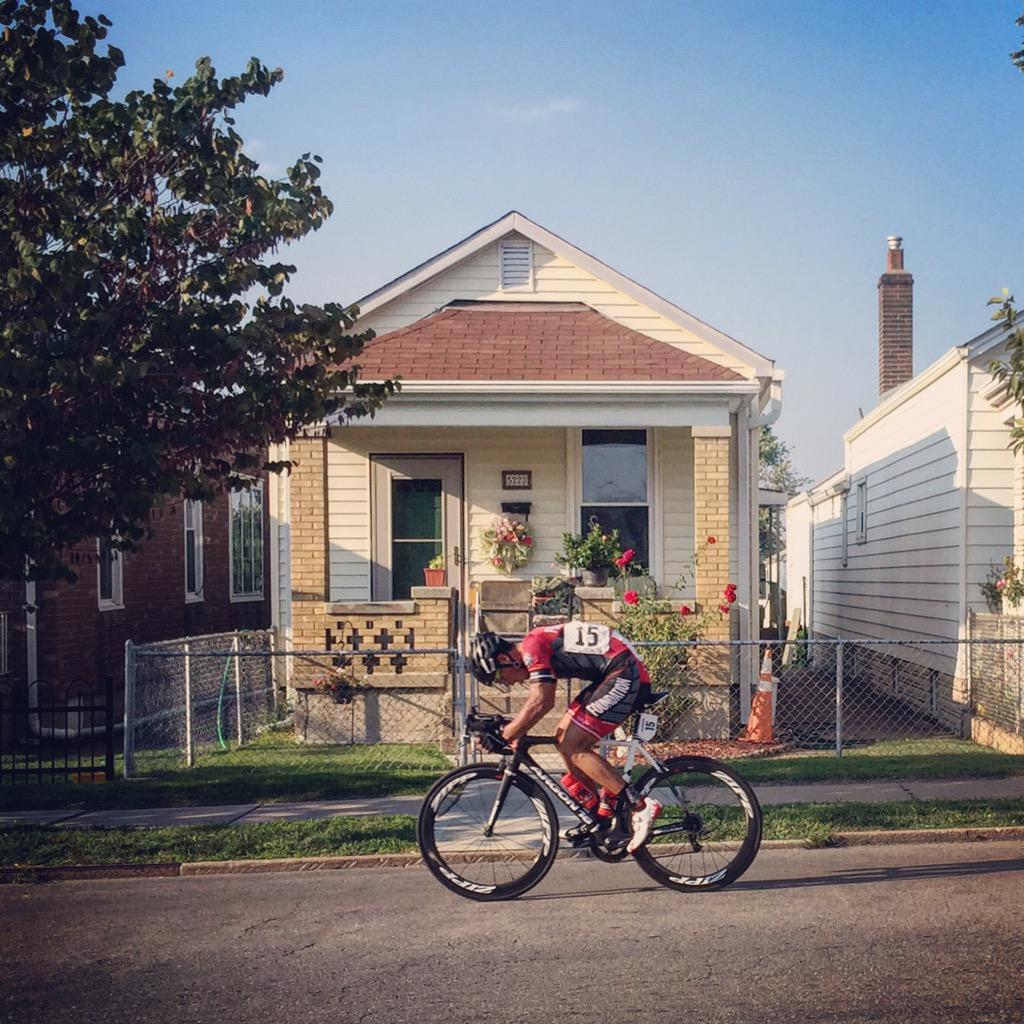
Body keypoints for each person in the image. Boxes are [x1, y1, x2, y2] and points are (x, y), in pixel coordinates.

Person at [469, 624, 662, 854]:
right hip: (611, 672)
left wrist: (506, 733)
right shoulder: (533, 647)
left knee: (574, 744)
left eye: (499, 676)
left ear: (504, 658)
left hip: (624, 670)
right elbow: (536, 703)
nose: (506, 683)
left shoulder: (531, 646)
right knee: (563, 738)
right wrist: (510, 728)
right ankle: (596, 817)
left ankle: (640, 805)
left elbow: (542, 701)